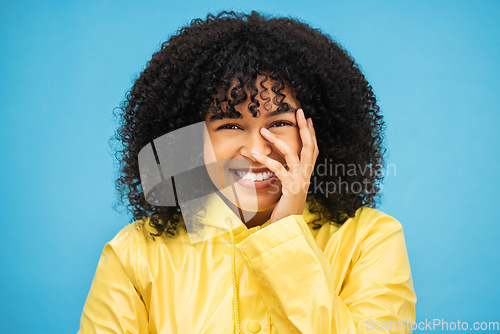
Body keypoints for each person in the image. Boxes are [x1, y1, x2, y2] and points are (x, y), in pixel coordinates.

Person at [79, 11, 416, 334]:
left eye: (280, 123)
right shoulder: (135, 254)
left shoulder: (371, 240)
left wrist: (285, 233)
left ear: (318, 131)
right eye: (230, 125)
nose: (256, 151)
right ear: (193, 138)